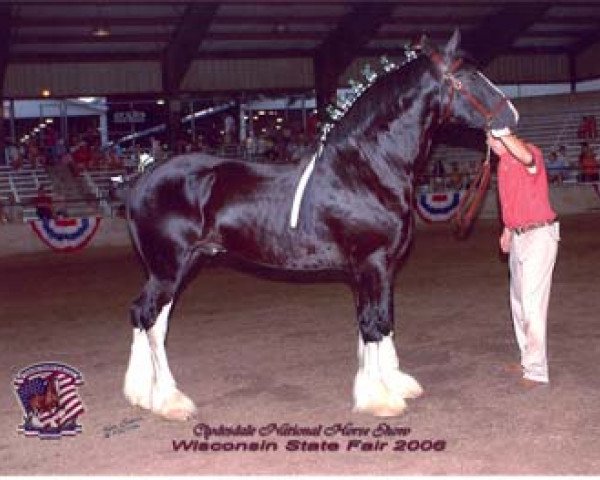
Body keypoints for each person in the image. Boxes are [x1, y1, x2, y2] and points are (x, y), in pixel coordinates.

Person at [487, 128, 559, 388]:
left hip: (539, 235)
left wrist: (502, 132)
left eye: (491, 137)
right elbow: (511, 200)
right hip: (519, 235)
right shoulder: (504, 164)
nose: (488, 142)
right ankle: (527, 359)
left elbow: (526, 158)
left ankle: (537, 372)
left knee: (531, 303)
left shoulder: (530, 154)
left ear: (506, 137)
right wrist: (507, 229)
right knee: (518, 302)